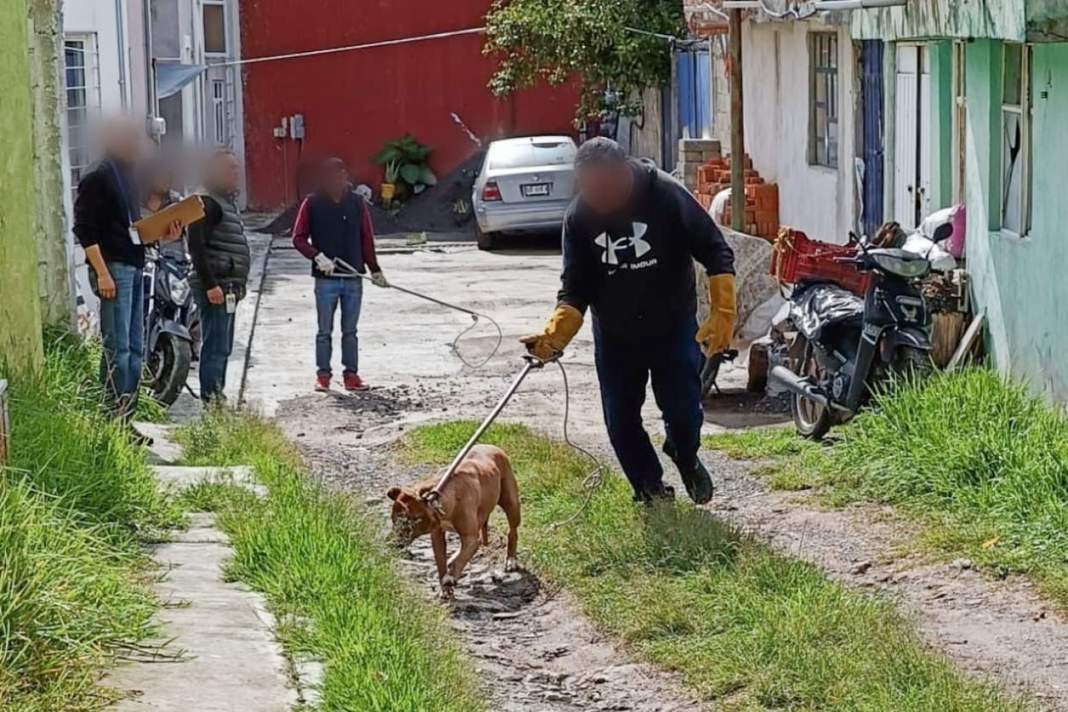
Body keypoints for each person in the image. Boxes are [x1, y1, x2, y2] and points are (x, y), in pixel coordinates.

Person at [521, 138, 737, 504]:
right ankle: (650, 490)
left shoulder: (665, 195)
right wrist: (556, 335)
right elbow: (574, 289)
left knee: (683, 412)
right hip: (616, 335)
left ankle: (684, 455)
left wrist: (723, 312)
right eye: (589, 188)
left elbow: (715, 250)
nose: (598, 197)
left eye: (604, 188)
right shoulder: (579, 218)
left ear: (624, 172)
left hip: (672, 325)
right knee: (620, 420)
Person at [73, 116, 179, 423]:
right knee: (117, 350)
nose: (137, 145)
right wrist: (102, 273)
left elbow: (131, 228)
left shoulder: (129, 175)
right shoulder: (97, 177)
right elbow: (85, 231)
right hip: (113, 269)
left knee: (134, 349)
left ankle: (126, 419)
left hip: (134, 263)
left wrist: (163, 234)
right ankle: (111, 419)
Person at [292, 157, 388, 392]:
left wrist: (375, 269)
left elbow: (366, 238)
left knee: (350, 331)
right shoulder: (312, 203)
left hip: (353, 277)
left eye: (340, 176)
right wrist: (316, 256)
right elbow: (298, 238)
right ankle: (323, 375)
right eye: (331, 177)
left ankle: (351, 375)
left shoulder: (357, 203)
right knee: (324, 331)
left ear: (345, 177)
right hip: (326, 280)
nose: (336, 181)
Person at [187, 149, 250, 403]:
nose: (236, 173)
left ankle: (217, 395)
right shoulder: (207, 202)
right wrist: (210, 285)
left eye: (236, 168)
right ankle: (212, 399)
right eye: (230, 168)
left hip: (228, 286)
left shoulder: (225, 201)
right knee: (216, 345)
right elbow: (196, 247)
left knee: (223, 345)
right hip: (217, 286)